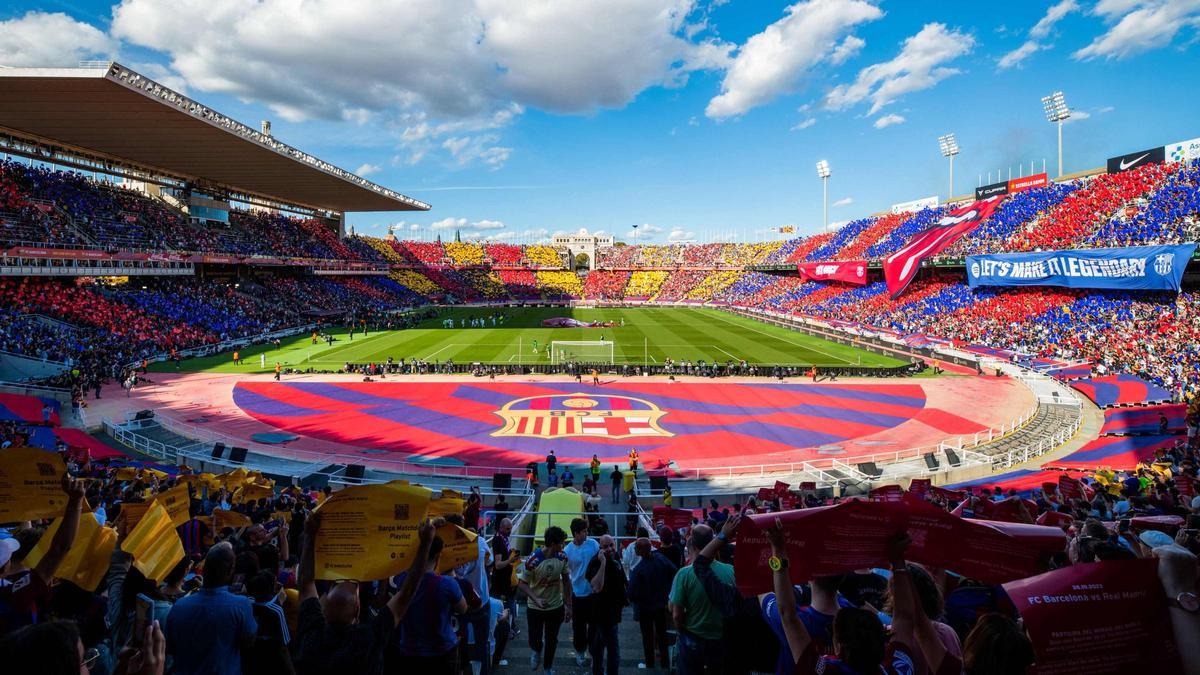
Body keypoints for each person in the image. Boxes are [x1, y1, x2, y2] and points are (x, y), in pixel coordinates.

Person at [293, 513, 439, 675]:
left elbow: (305, 584)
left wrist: (310, 535)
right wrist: (425, 544)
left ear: (323, 608)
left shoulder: (310, 637)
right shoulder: (368, 640)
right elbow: (406, 593)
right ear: (357, 612)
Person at [165, 542, 258, 675]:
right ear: (231, 570)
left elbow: (169, 648)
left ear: (204, 568)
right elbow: (249, 641)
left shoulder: (179, 606)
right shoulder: (241, 605)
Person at [669, 524, 732, 674]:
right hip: (721, 638)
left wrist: (681, 631)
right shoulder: (731, 571)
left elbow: (676, 615)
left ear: (693, 544)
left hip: (693, 637)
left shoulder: (684, 574)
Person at [517, 525, 572, 675]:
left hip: (555, 606)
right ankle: (536, 650)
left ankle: (547, 668)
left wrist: (569, 605)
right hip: (535, 608)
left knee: (552, 640)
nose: (563, 545)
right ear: (553, 544)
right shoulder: (534, 560)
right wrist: (536, 599)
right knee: (535, 639)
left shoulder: (562, 557)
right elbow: (522, 584)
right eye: (561, 543)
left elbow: (566, 581)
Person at [627, 537, 676, 671]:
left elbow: (631, 594)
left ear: (639, 551)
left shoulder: (638, 570)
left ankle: (649, 663)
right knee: (662, 635)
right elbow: (674, 571)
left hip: (645, 607)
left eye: (636, 547)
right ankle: (665, 663)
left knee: (647, 636)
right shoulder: (660, 559)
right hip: (661, 604)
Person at [586, 535, 627, 675]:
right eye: (605, 546)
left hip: (612, 611)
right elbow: (597, 587)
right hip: (602, 612)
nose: (609, 549)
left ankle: (598, 671)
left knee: (599, 646)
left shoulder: (615, 558)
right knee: (612, 649)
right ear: (600, 548)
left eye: (611, 545)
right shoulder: (596, 562)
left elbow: (622, 579)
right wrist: (603, 563)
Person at [564, 518, 600, 667]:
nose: (586, 533)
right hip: (577, 594)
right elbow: (566, 576)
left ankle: (594, 653)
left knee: (594, 626)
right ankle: (580, 651)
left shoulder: (593, 544)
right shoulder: (567, 551)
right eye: (584, 531)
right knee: (578, 627)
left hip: (593, 593)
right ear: (576, 533)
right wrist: (567, 603)